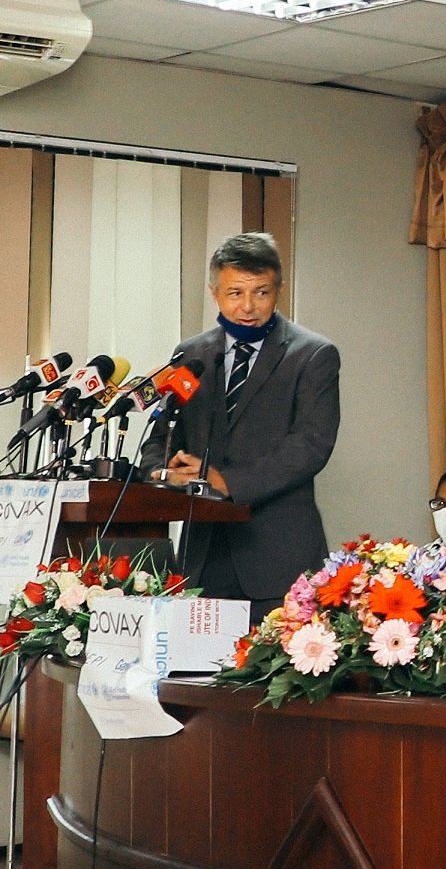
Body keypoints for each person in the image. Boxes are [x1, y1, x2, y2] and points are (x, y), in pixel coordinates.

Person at [142, 232, 339, 623]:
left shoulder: (313, 354)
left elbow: (311, 445)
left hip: (278, 556)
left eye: (261, 292)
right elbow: (162, 436)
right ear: (214, 292)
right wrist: (162, 472)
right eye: (235, 293)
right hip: (203, 558)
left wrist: (227, 481)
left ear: (279, 290)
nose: (248, 307)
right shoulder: (191, 354)